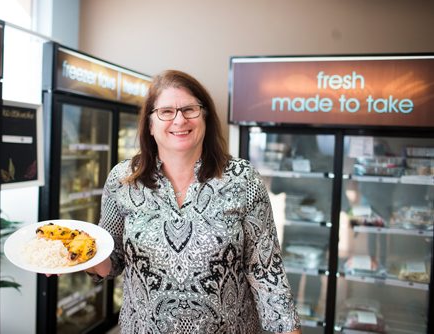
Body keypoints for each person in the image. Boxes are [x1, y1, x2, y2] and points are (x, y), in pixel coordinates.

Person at [86, 70, 301, 334]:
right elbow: (112, 260)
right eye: (166, 112)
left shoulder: (243, 179)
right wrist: (75, 257)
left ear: (205, 117)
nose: (179, 120)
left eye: (190, 110)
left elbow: (265, 270)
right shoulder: (122, 179)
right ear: (150, 124)